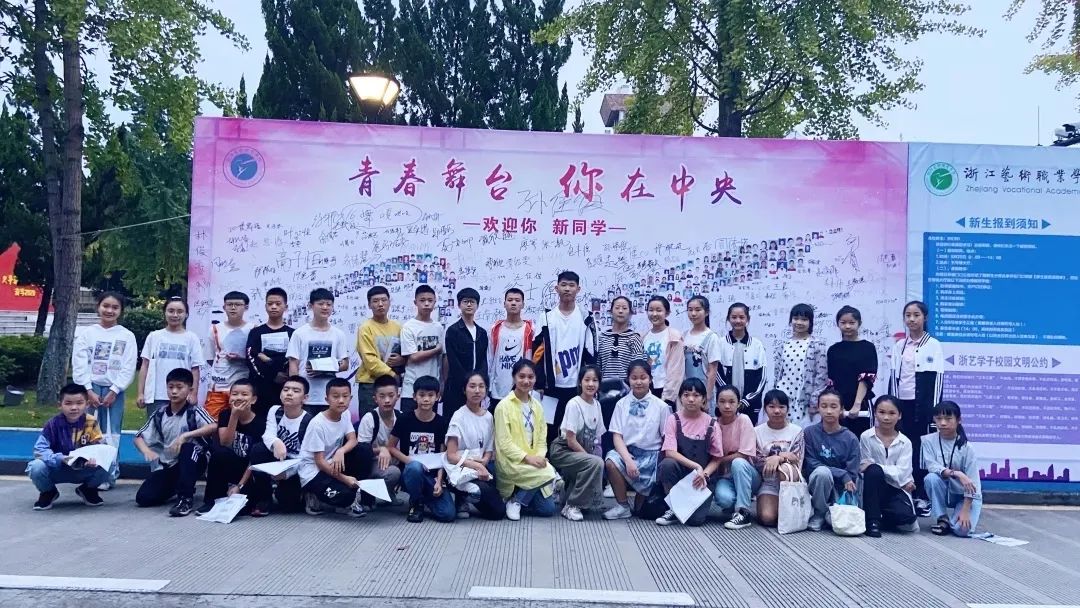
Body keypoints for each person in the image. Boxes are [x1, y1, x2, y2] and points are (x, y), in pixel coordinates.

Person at [71, 291, 137, 487]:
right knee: (87, 430)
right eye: (106, 306)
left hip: (113, 392)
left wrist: (115, 390)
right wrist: (88, 390)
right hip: (89, 390)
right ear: (98, 307)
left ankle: (108, 474)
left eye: (115, 307)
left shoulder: (127, 336)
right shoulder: (86, 334)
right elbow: (79, 362)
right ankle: (87, 473)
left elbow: (128, 366)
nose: (110, 310)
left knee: (111, 432)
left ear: (121, 311)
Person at [133, 368, 218, 517]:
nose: (174, 391)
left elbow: (213, 426)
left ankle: (185, 499)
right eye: (171, 387)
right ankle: (178, 485)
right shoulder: (160, 413)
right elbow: (138, 437)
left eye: (179, 387)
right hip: (170, 464)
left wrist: (186, 435)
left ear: (190, 390)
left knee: (188, 448)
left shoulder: (194, 412)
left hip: (195, 460)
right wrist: (147, 451)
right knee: (144, 498)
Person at [888, 300, 944, 516]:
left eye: (916, 315)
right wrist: (893, 407)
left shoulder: (934, 345)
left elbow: (938, 381)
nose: (911, 319)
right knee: (903, 447)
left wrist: (935, 412)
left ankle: (922, 496)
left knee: (922, 450)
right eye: (908, 315)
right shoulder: (899, 346)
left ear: (925, 318)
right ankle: (904, 492)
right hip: (903, 406)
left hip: (924, 407)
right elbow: (894, 378)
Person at [532, 271, 597, 440]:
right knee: (548, 430)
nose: (567, 289)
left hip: (576, 386)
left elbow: (591, 353)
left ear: (578, 289)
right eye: (563, 285)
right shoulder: (546, 318)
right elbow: (537, 353)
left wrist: (589, 382)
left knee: (574, 431)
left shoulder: (586, 318)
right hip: (550, 386)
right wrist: (539, 382)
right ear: (557, 288)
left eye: (571, 285)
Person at [494, 359, 560, 520]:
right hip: (512, 461)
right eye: (521, 376)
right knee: (550, 473)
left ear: (535, 379)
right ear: (514, 378)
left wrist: (538, 457)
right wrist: (528, 458)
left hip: (533, 463)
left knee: (548, 510)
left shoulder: (537, 406)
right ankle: (517, 499)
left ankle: (518, 498)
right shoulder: (503, 406)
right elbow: (504, 444)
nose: (526, 381)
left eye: (530, 377)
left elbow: (542, 438)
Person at [27, 384, 111, 510]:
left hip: (83, 468)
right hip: (57, 468)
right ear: (60, 405)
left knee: (109, 463)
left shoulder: (91, 422)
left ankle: (88, 489)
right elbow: (40, 450)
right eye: (68, 403)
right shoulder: (52, 425)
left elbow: (98, 447)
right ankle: (48, 492)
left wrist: (92, 459)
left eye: (79, 403)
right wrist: (60, 458)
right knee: (36, 467)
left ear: (87, 404)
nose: (74, 407)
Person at [603, 360, 669, 520]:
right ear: (628, 380)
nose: (639, 382)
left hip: (652, 457)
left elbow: (666, 438)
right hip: (629, 453)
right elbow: (617, 435)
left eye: (643, 377)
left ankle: (641, 499)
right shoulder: (621, 404)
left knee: (642, 511)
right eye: (634, 378)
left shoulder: (661, 406)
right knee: (611, 460)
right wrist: (627, 460)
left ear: (650, 379)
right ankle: (622, 506)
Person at [240, 375, 313, 516]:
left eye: (296, 391)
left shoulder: (310, 421)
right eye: (286, 389)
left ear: (305, 398)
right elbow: (268, 435)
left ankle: (304, 494)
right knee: (258, 449)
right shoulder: (275, 411)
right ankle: (264, 499)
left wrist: (287, 473)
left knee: (289, 506)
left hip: (296, 466)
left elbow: (307, 458)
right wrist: (276, 442)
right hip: (278, 457)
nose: (289, 393)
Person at [654, 378, 723, 526]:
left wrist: (704, 474)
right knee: (667, 464)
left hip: (702, 478)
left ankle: (683, 508)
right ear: (680, 398)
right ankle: (673, 507)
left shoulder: (712, 423)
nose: (691, 399)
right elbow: (670, 452)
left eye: (696, 395)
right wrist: (696, 467)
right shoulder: (673, 419)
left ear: (703, 399)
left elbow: (717, 458)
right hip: (680, 472)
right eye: (686, 395)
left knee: (695, 521)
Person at [388, 375, 455, 523]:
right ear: (414, 397)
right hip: (410, 473)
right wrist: (409, 461)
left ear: (437, 397)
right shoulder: (405, 419)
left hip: (432, 475)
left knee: (448, 514)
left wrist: (439, 481)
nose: (426, 399)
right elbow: (391, 447)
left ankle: (424, 496)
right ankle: (416, 503)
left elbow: (442, 455)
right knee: (415, 468)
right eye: (422, 395)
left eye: (430, 395)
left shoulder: (441, 422)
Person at [297, 378, 366, 517]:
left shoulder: (345, 414)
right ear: (327, 399)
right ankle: (312, 494)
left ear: (351, 398)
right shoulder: (317, 424)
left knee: (363, 450)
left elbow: (353, 439)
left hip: (332, 463)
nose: (341, 400)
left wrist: (341, 450)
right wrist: (345, 479)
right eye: (335, 396)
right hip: (313, 471)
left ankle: (340, 498)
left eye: (345, 396)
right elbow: (319, 462)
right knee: (346, 496)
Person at [548, 365, 606, 522]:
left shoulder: (597, 405)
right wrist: (592, 460)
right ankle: (571, 506)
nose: (591, 384)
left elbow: (598, 439)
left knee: (596, 463)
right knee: (595, 463)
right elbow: (571, 440)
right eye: (587, 380)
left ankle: (563, 489)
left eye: (595, 380)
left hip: (581, 452)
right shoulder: (574, 404)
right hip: (563, 450)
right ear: (580, 382)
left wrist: (595, 460)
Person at [200, 379, 267, 514]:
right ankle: (211, 500)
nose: (239, 398)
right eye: (235, 394)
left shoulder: (261, 422)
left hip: (249, 470)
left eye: (244, 394)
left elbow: (255, 460)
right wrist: (234, 416)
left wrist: (239, 486)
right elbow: (225, 442)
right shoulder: (225, 414)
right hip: (232, 464)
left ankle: (259, 500)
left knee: (243, 510)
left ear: (253, 400)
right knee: (219, 453)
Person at [445, 371, 503, 520]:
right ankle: (461, 495)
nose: (477, 391)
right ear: (464, 390)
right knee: (493, 507)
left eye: (481, 386)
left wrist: (484, 462)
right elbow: (451, 456)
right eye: (472, 386)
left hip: (481, 467)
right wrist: (477, 466)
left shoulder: (488, 417)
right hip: (461, 468)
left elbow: (488, 449)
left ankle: (470, 495)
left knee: (497, 512)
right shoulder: (459, 416)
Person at [859, 396, 918, 538]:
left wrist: (876, 466)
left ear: (899, 415)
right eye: (881, 412)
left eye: (892, 413)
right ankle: (873, 522)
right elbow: (863, 467)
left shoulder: (905, 442)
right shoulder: (866, 436)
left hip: (896, 489)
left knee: (905, 519)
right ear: (875, 413)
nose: (886, 417)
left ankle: (883, 518)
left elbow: (902, 474)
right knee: (873, 472)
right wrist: (876, 468)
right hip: (872, 488)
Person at [802, 389, 860, 531]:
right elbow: (810, 463)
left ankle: (831, 512)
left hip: (840, 488)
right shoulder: (809, 433)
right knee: (822, 472)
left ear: (841, 409)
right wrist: (841, 473)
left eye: (833, 407)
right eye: (824, 406)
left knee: (837, 521)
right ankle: (819, 514)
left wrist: (844, 477)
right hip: (816, 483)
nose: (828, 411)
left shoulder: (851, 438)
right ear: (818, 408)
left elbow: (852, 473)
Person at [287, 288, 351, 415]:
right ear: (311, 306)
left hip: (330, 397)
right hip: (306, 397)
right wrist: (296, 392)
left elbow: (345, 364)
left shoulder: (338, 334)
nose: (325, 307)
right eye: (321, 304)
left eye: (329, 304)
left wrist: (324, 368)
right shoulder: (299, 333)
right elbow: (293, 365)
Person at [922, 401, 981, 537]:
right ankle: (942, 518)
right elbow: (932, 466)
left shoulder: (967, 448)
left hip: (965, 496)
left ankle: (951, 523)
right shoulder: (928, 441)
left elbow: (973, 483)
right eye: (939, 419)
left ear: (959, 420)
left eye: (948, 419)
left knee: (962, 530)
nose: (943, 423)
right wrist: (957, 473)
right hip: (944, 490)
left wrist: (965, 510)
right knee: (931, 478)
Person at [138, 296, 202, 419]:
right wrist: (141, 393)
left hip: (183, 395)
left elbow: (195, 369)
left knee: (182, 428)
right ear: (165, 313)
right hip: (157, 396)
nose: (175, 315)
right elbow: (145, 365)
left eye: (180, 311)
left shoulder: (192, 338)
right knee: (156, 428)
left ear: (186, 314)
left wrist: (193, 393)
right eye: (171, 311)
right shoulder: (154, 336)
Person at [753, 389, 804, 528]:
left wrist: (778, 458)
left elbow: (797, 459)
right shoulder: (757, 431)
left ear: (787, 409)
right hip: (768, 481)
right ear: (765, 408)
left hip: (790, 480)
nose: (777, 411)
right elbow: (757, 461)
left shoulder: (797, 431)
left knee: (785, 469)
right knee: (767, 518)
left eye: (781, 407)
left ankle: (791, 504)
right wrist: (784, 456)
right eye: (772, 406)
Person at [771, 303, 828, 427]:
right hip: (784, 397)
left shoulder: (817, 345)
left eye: (804, 319)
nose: (799, 322)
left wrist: (814, 402)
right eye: (796, 318)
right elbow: (777, 374)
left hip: (805, 401)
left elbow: (821, 376)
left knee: (803, 433)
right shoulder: (783, 345)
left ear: (810, 322)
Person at [712, 384, 759, 530]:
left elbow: (744, 454)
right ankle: (734, 507)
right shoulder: (713, 423)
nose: (727, 406)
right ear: (716, 403)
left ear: (738, 404)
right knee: (724, 500)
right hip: (725, 477)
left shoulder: (744, 420)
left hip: (748, 475)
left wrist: (719, 460)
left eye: (732, 402)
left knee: (738, 462)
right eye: (722, 401)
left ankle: (743, 512)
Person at [354, 374, 403, 511]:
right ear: (375, 398)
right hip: (372, 463)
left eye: (391, 396)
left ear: (398, 396)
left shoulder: (401, 416)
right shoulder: (369, 418)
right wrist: (382, 449)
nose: (387, 400)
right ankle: (367, 496)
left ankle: (389, 493)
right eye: (382, 396)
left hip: (396, 459)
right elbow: (361, 451)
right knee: (393, 473)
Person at [827, 305, 878, 437]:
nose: (847, 326)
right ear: (838, 324)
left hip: (861, 405)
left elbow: (866, 378)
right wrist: (836, 405)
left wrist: (857, 404)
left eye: (851, 322)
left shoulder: (867, 347)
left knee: (862, 439)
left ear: (859, 323)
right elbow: (831, 381)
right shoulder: (833, 350)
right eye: (843, 323)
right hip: (838, 406)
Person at [204, 291, 254, 420]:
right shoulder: (214, 329)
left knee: (241, 421)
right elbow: (210, 358)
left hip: (242, 385)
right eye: (229, 304)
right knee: (212, 421)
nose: (233, 308)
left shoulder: (253, 328)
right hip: (219, 385)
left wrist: (241, 358)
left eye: (238, 304)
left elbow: (255, 358)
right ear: (224, 307)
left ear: (246, 307)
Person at [355, 286, 403, 416]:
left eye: (384, 300)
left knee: (389, 421)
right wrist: (392, 375)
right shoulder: (365, 328)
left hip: (390, 384)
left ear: (389, 302)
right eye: (375, 301)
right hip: (370, 384)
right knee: (369, 421)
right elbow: (370, 360)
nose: (380, 304)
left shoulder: (398, 327)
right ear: (369, 305)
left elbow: (404, 352)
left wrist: (402, 360)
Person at [245, 287, 294, 417]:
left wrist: (268, 359)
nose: (274, 307)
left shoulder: (293, 333)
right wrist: (272, 375)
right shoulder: (256, 332)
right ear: (265, 306)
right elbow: (251, 357)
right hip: (260, 387)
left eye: (278, 304)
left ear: (286, 307)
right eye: (270, 303)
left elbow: (292, 358)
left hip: (285, 387)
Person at [717, 303, 768, 423]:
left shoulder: (757, 345)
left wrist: (746, 400)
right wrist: (729, 398)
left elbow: (762, 377)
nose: (738, 321)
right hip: (726, 405)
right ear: (728, 319)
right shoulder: (720, 343)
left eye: (741, 317)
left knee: (749, 432)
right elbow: (717, 374)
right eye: (734, 317)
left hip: (750, 404)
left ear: (747, 319)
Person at [443, 288, 489, 419]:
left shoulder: (481, 332)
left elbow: (483, 360)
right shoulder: (453, 331)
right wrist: (467, 383)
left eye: (472, 302)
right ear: (459, 305)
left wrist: (480, 383)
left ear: (477, 305)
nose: (469, 305)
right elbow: (453, 361)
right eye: (465, 301)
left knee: (474, 420)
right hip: (457, 387)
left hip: (476, 388)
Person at [400, 285, 445, 414]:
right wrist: (436, 350)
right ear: (415, 302)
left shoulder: (438, 327)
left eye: (430, 300)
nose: (426, 304)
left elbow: (442, 359)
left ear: (435, 302)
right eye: (422, 300)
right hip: (411, 390)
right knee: (408, 423)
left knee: (430, 423)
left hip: (432, 389)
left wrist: (442, 383)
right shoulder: (408, 327)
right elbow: (413, 357)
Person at [488, 288, 535, 401]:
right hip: (497, 390)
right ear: (504, 304)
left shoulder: (530, 329)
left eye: (517, 300)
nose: (513, 303)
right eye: (510, 300)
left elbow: (533, 359)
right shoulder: (495, 329)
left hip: (522, 389)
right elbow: (489, 359)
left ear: (523, 305)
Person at [641, 295, 684, 411]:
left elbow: (676, 371)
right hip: (647, 390)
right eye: (651, 310)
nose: (654, 314)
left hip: (666, 392)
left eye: (659, 310)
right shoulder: (643, 337)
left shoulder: (674, 337)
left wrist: (668, 398)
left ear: (667, 313)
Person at [683, 295, 721, 410]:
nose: (693, 313)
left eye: (698, 310)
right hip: (687, 391)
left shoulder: (711, 337)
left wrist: (707, 397)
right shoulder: (684, 335)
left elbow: (713, 370)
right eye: (690, 310)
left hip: (703, 392)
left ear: (707, 312)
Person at [598, 296, 645, 383]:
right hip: (604, 388)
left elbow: (639, 367)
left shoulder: (634, 338)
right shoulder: (602, 337)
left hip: (627, 388)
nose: (620, 311)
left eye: (624, 308)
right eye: (617, 308)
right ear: (611, 312)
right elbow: (597, 368)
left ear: (630, 313)